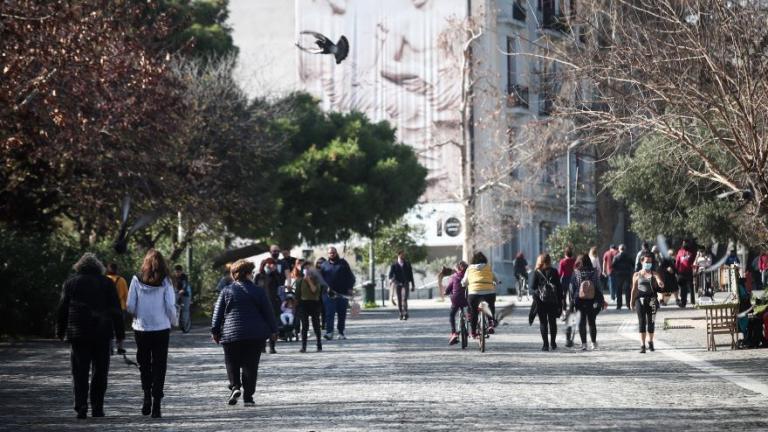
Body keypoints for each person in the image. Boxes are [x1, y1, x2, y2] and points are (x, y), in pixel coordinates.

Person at [56, 253, 125, 419]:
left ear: (79, 266)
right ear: (98, 267)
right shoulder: (107, 283)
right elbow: (116, 311)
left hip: (78, 333)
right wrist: (120, 335)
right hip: (102, 333)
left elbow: (62, 309)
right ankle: (97, 407)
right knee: (100, 372)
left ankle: (81, 406)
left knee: (79, 371)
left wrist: (60, 331)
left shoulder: (71, 283)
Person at [211, 259, 278, 406]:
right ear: (248, 274)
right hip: (254, 335)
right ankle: (248, 397)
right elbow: (268, 312)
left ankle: (235, 386)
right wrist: (274, 330)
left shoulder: (226, 291)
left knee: (231, 361)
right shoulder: (259, 291)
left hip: (231, 334)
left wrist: (215, 331)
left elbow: (218, 313)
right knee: (251, 365)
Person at [127, 249, 178, 418]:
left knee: (144, 364)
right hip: (161, 328)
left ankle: (147, 395)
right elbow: (170, 306)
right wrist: (174, 321)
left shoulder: (136, 278)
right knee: (159, 365)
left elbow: (130, 305)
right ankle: (157, 404)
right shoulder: (166, 281)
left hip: (141, 328)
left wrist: (137, 316)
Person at [571, 254, 607, 351]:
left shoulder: (576, 272)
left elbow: (572, 288)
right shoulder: (594, 272)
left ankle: (584, 344)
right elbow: (598, 286)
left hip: (579, 300)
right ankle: (594, 343)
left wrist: (572, 300)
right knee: (591, 321)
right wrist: (602, 299)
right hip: (592, 299)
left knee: (582, 322)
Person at [630, 253, 665, 353]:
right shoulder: (636, 275)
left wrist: (660, 283)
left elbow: (659, 280)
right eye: (646, 262)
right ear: (642, 262)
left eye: (650, 262)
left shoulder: (654, 274)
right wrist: (631, 302)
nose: (648, 263)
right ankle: (642, 345)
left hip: (652, 300)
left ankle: (650, 341)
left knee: (651, 322)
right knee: (642, 322)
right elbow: (634, 289)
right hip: (640, 300)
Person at [461, 252, 499, 338]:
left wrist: (463, 284)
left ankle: (473, 333)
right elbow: (496, 278)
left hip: (474, 293)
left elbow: (464, 281)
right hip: (489, 292)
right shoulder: (488, 267)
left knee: (474, 312)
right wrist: (497, 282)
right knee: (491, 305)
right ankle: (490, 322)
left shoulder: (469, 268)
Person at [321, 247, 356, 340]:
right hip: (328, 294)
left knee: (341, 313)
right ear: (328, 254)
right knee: (329, 313)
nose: (331, 254)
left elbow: (351, 277)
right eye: (330, 253)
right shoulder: (324, 265)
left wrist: (350, 288)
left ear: (336, 253)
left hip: (342, 293)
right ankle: (329, 332)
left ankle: (341, 332)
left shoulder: (343, 263)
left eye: (333, 252)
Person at [530, 253, 563, 351]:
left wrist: (537, 294)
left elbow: (532, 288)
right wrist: (561, 301)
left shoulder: (537, 272)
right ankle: (553, 343)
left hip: (541, 301)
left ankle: (545, 345)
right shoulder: (554, 271)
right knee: (552, 322)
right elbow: (559, 287)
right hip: (553, 300)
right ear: (549, 261)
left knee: (543, 322)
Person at [295, 261, 323, 352]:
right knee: (305, 326)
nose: (307, 270)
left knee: (316, 324)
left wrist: (309, 280)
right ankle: (304, 346)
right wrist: (297, 306)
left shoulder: (317, 280)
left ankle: (319, 344)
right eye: (305, 269)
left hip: (314, 304)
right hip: (304, 304)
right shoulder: (299, 281)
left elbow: (314, 290)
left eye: (309, 269)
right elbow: (297, 295)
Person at [255, 257, 281, 353]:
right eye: (270, 264)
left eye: (273, 264)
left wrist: (274, 273)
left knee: (272, 326)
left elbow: (280, 284)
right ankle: (262, 346)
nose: (272, 266)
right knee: (261, 326)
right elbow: (254, 288)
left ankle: (272, 347)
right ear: (265, 265)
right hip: (261, 304)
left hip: (273, 303)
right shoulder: (259, 276)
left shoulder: (275, 275)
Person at [443, 261, 468, 345]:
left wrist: (445, 292)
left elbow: (449, 288)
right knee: (471, 310)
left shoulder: (454, 276)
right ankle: (472, 325)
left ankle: (454, 333)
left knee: (452, 315)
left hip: (456, 299)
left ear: (457, 269)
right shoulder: (470, 275)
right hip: (467, 299)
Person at [388, 250, 415, 320]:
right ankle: (400, 313)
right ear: (398, 255)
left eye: (404, 255)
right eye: (402, 255)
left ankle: (405, 312)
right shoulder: (394, 265)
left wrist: (413, 285)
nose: (403, 256)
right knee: (399, 299)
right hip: (398, 283)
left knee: (405, 298)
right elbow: (390, 275)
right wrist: (392, 280)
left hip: (406, 283)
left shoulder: (407, 264)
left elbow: (411, 275)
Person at [612, 244, 634, 310]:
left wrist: (616, 270)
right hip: (627, 274)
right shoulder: (629, 256)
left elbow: (613, 265)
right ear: (625, 249)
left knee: (619, 290)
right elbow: (633, 264)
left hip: (619, 275)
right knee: (628, 290)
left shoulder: (616, 257)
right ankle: (628, 305)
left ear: (619, 249)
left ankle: (619, 305)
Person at [675, 240, 696, 307]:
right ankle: (683, 302)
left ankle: (693, 302)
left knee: (691, 287)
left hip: (689, 272)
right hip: (681, 272)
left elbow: (694, 261)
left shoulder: (692, 252)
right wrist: (676, 271)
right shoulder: (680, 251)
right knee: (683, 288)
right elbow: (677, 262)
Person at [173, 264, 192, 330]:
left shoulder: (184, 277)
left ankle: (185, 323)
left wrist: (183, 290)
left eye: (179, 272)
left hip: (185, 293)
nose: (177, 273)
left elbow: (185, 284)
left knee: (185, 310)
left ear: (181, 271)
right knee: (172, 303)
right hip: (177, 292)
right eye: (176, 272)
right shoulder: (173, 277)